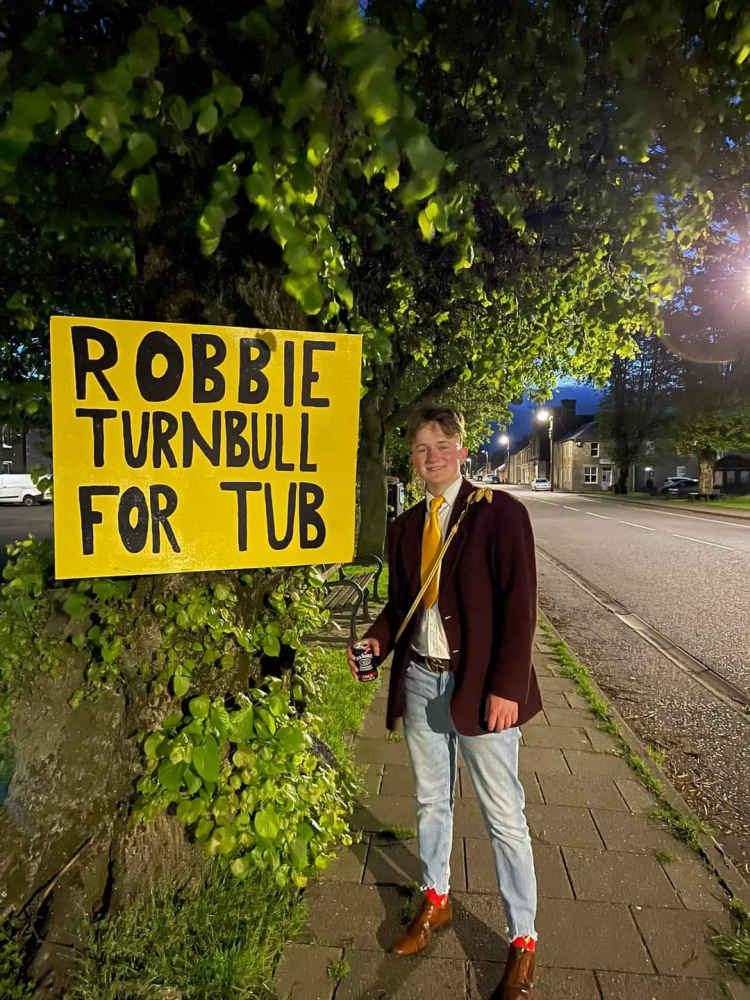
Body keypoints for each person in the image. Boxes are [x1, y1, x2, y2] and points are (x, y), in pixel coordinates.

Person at [348, 404, 542, 1000]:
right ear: (412, 457)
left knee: (503, 817)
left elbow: (520, 605)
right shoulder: (407, 526)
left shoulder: (499, 513)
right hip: (420, 678)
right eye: (421, 448)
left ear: (461, 449)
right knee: (432, 801)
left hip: (481, 686)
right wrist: (375, 642)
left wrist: (508, 687)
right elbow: (400, 605)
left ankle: (523, 940)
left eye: (442, 445)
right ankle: (436, 900)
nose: (431, 456)